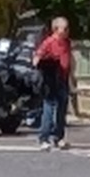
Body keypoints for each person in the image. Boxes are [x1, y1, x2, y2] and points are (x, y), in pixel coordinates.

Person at [32, 14, 75, 147]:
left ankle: (58, 137)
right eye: (65, 29)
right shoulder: (49, 42)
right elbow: (36, 59)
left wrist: (72, 77)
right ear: (56, 29)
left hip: (63, 79)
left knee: (62, 109)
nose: (67, 31)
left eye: (68, 28)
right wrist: (44, 63)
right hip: (50, 80)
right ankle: (44, 138)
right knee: (49, 108)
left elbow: (70, 59)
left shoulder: (67, 43)